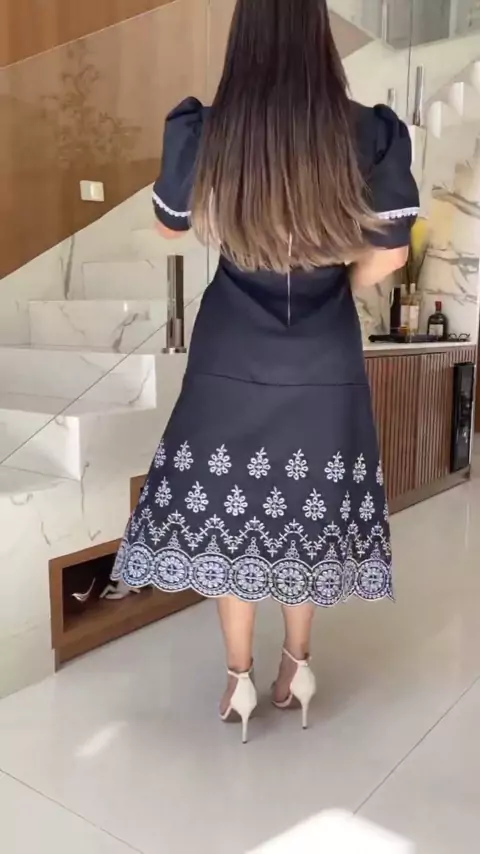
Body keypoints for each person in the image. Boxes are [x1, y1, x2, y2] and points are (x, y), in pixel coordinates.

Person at [112, 0, 419, 743]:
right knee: (306, 511)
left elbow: (168, 224)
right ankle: (298, 668)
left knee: (232, 514)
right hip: (323, 353)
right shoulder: (368, 132)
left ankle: (238, 678)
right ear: (319, 33)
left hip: (230, 352)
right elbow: (391, 253)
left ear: (244, 34)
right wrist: (334, 287)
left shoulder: (210, 130)